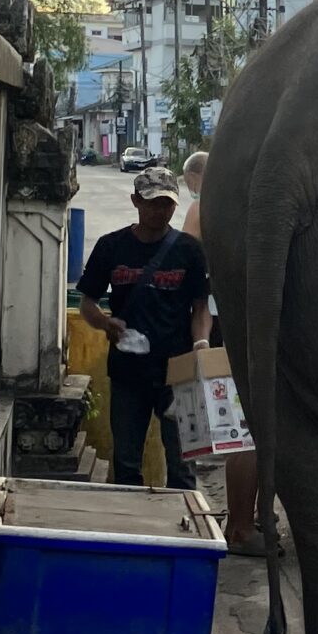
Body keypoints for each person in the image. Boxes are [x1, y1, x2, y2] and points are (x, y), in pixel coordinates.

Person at [76, 165, 211, 489]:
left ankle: (182, 521)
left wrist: (201, 344)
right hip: (128, 372)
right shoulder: (111, 247)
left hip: (178, 374)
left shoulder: (189, 250)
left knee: (183, 466)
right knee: (126, 465)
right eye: (152, 203)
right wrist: (106, 323)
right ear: (136, 201)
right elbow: (87, 304)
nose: (160, 211)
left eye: (167, 204)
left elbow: (201, 307)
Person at [171, 149, 269, 556]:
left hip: (230, 322)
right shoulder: (225, 208)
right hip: (232, 324)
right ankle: (243, 524)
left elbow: (190, 264)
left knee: (253, 431)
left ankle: (252, 520)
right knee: (249, 432)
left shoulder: (210, 208)